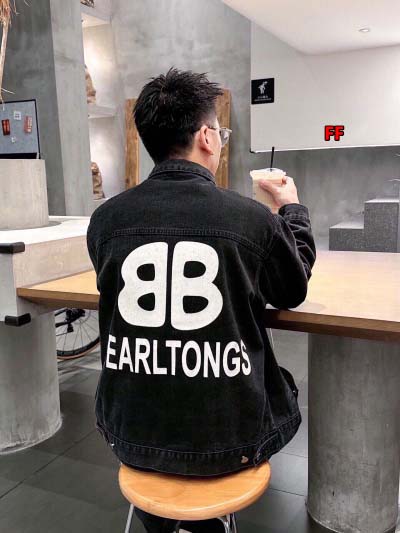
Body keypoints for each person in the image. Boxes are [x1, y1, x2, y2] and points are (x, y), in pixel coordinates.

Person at [86, 68, 316, 533]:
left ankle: (169, 519)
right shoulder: (252, 219)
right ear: (207, 137)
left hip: (129, 431)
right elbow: (293, 290)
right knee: (281, 384)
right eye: (221, 134)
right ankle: (201, 522)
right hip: (231, 439)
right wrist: (290, 209)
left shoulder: (105, 220)